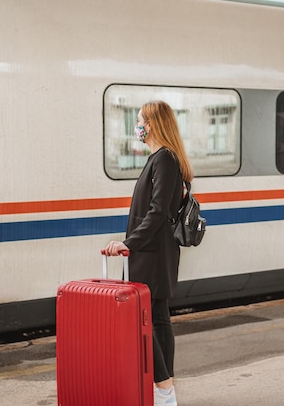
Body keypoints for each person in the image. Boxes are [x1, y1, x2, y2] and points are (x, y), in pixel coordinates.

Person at [103, 100, 193, 406]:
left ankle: (164, 389)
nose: (137, 126)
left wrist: (129, 243)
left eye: (140, 120)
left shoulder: (164, 159)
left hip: (152, 254)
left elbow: (156, 213)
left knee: (146, 322)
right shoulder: (162, 158)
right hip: (156, 251)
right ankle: (165, 392)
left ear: (152, 124)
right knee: (158, 319)